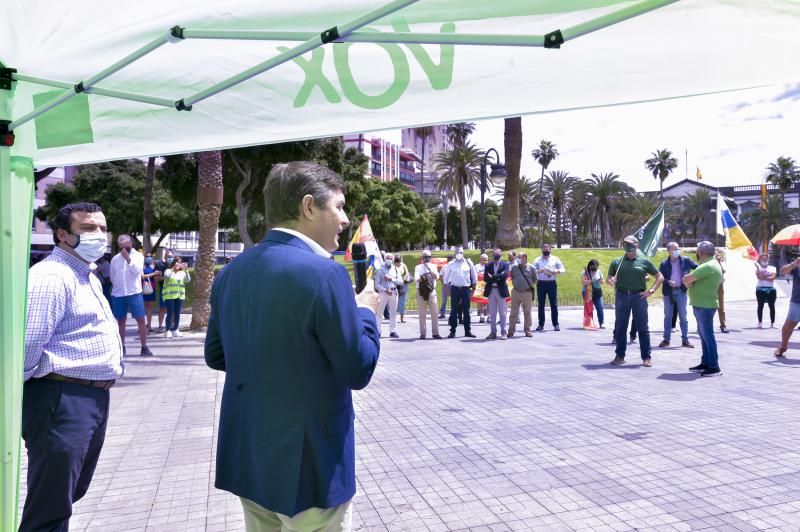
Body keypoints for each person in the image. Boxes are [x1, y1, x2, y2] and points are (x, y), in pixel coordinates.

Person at [204, 161, 380, 532]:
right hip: (310, 464)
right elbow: (357, 369)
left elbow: (217, 355)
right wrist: (365, 312)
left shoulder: (231, 273)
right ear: (308, 206)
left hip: (250, 458)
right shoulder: (325, 273)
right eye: (339, 206)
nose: (345, 219)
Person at [22, 202, 124, 532]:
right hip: (61, 397)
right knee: (50, 505)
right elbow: (29, 342)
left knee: (67, 493)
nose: (100, 236)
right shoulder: (51, 276)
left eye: (103, 229)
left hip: (88, 398)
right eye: (89, 229)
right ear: (63, 235)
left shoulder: (86, 276)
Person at [607, 235, 664, 367]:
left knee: (643, 328)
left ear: (637, 245)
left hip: (639, 297)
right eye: (625, 243)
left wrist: (651, 290)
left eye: (630, 243)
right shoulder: (617, 261)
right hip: (621, 296)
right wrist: (611, 281)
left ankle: (646, 357)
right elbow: (609, 278)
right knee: (621, 327)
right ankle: (620, 356)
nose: (627, 246)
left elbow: (660, 277)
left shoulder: (644, 261)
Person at [683, 241, 723, 376]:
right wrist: (689, 282)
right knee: (704, 336)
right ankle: (706, 362)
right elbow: (689, 281)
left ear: (701, 253)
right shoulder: (709, 264)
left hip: (705, 306)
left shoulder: (707, 266)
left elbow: (687, 279)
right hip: (702, 304)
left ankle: (714, 366)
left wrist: (688, 282)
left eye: (697, 251)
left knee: (707, 336)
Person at [110, 234, 153, 356]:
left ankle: (144, 347)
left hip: (134, 292)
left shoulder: (138, 256)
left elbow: (138, 272)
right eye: (121, 247)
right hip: (118, 294)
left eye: (126, 247)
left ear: (131, 245)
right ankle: (122, 347)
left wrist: (128, 258)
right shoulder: (115, 259)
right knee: (120, 321)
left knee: (140, 319)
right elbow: (113, 277)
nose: (124, 250)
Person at [658, 242, 697, 348]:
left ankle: (685, 340)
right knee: (668, 317)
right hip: (668, 292)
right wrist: (668, 281)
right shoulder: (664, 264)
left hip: (681, 291)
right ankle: (666, 340)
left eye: (678, 248)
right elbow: (660, 277)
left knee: (683, 317)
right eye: (675, 249)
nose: (677, 250)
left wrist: (691, 279)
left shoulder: (686, 260)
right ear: (669, 251)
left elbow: (698, 269)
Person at [445, 247, 477, 338]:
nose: (459, 254)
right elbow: (446, 278)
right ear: (455, 253)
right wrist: (447, 289)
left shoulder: (468, 263)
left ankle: (468, 331)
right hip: (455, 288)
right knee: (454, 310)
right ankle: (452, 331)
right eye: (458, 252)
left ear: (463, 253)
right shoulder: (451, 264)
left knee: (466, 311)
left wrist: (473, 289)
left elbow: (474, 276)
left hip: (465, 289)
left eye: (461, 252)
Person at [534, 243, 566, 331]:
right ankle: (541, 324)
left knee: (554, 304)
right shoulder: (537, 260)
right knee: (541, 304)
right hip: (541, 283)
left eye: (547, 248)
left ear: (550, 249)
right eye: (544, 248)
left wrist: (556, 271)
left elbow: (563, 269)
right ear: (541, 250)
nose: (546, 250)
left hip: (552, 283)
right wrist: (538, 271)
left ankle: (556, 324)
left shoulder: (555, 259)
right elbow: (532, 271)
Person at [773, 255, 800, 357]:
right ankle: (783, 347)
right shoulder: (797, 266)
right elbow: (782, 272)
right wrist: (793, 264)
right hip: (797, 302)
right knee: (787, 327)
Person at [508, 252, 537, 337]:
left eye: (520, 257)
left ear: (525, 258)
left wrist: (526, 285)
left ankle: (528, 330)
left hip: (527, 292)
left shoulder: (531, 268)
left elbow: (534, 279)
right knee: (513, 313)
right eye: (517, 257)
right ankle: (511, 331)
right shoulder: (514, 268)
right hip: (516, 292)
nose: (518, 259)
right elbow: (512, 277)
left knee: (527, 312)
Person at [415, 250, 442, 339]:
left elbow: (437, 277)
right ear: (422, 257)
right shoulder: (418, 267)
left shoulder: (433, 266)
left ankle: (435, 333)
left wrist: (430, 271)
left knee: (434, 313)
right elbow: (417, 278)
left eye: (428, 257)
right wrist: (425, 277)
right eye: (425, 256)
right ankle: (423, 333)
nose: (427, 258)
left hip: (431, 291)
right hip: (421, 292)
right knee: (422, 313)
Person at [483, 248, 510, 340]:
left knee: (503, 313)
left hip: (501, 291)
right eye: (495, 254)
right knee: (492, 313)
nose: (496, 255)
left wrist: (493, 276)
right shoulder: (488, 265)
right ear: (492, 255)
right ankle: (493, 332)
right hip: (491, 291)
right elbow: (485, 278)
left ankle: (504, 332)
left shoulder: (505, 264)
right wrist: (498, 277)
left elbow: (505, 276)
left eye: (498, 254)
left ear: (501, 255)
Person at [374, 252, 401, 338]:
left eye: (390, 258)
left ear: (392, 260)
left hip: (394, 292)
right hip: (383, 293)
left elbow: (400, 281)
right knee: (379, 312)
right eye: (387, 258)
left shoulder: (396, 269)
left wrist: (391, 279)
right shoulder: (380, 270)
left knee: (393, 312)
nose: (389, 259)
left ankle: (393, 331)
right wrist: (385, 290)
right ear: (384, 259)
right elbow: (376, 284)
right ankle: (378, 331)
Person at [162, 256, 191, 338]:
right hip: (169, 295)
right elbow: (166, 276)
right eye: (177, 262)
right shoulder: (168, 271)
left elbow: (188, 280)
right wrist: (173, 269)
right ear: (174, 263)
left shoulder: (182, 273)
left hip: (180, 296)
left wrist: (186, 270)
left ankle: (176, 329)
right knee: (170, 313)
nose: (179, 264)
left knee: (177, 313)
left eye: (180, 262)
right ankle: (167, 330)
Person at [154, 249, 174, 332]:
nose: (170, 258)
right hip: (164, 290)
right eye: (168, 256)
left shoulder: (176, 265)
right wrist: (164, 278)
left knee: (172, 309)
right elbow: (155, 278)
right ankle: (160, 326)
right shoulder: (159, 265)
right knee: (162, 308)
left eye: (171, 257)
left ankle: (171, 325)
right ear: (164, 257)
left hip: (174, 290)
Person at [755, 254, 777, 328]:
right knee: (760, 306)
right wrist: (758, 269)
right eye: (763, 259)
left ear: (768, 260)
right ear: (760, 260)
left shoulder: (772, 268)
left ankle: (773, 323)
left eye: (765, 259)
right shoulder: (758, 268)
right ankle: (760, 322)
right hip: (760, 289)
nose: (764, 261)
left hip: (771, 289)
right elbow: (759, 277)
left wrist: (764, 276)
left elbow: (772, 277)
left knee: (772, 306)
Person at [581, 259, 605, 329]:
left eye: (596, 267)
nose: (594, 269)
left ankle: (601, 323)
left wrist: (599, 281)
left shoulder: (599, 271)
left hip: (597, 291)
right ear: (590, 266)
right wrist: (592, 281)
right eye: (593, 267)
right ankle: (589, 323)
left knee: (600, 307)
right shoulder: (585, 272)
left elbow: (602, 281)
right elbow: (583, 282)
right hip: (587, 292)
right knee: (589, 308)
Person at [142, 252, 160, 332]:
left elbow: (157, 277)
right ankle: (142, 325)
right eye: (147, 256)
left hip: (151, 288)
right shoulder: (142, 266)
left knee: (150, 307)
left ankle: (149, 325)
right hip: (142, 288)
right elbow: (142, 276)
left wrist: (157, 275)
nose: (148, 257)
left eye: (150, 256)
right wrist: (152, 274)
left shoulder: (154, 266)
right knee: (143, 307)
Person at [392, 254, 412, 323]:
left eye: (399, 261)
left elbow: (406, 273)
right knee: (394, 301)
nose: (398, 263)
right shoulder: (392, 266)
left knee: (403, 302)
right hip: (395, 285)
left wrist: (403, 280)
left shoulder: (403, 265)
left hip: (403, 285)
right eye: (397, 261)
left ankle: (402, 318)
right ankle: (393, 318)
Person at [716, 248, 729, 333]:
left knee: (721, 307)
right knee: (707, 306)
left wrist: (719, 262)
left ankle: (723, 325)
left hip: (720, 286)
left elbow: (723, 271)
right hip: (710, 285)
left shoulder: (722, 263)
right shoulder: (707, 261)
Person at [438, 254, 454, 319]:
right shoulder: (444, 266)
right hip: (446, 285)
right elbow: (440, 276)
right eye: (448, 258)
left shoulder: (455, 267)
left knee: (454, 300)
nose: (449, 259)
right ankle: (442, 313)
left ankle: (454, 313)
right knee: (444, 300)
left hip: (453, 285)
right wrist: (443, 284)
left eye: (450, 258)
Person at [475, 254, 489, 323]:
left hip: (488, 285)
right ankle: (481, 316)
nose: (485, 260)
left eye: (486, 259)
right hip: (479, 286)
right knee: (479, 301)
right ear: (480, 259)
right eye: (484, 259)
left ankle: (489, 316)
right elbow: (475, 275)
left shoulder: (489, 266)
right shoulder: (477, 266)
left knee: (489, 301)